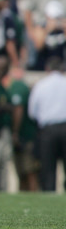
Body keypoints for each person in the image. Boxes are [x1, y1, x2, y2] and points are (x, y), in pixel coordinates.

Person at [28, 56, 66, 192]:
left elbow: (32, 112)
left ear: (47, 69)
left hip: (48, 130)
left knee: (48, 168)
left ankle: (49, 195)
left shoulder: (41, 85)